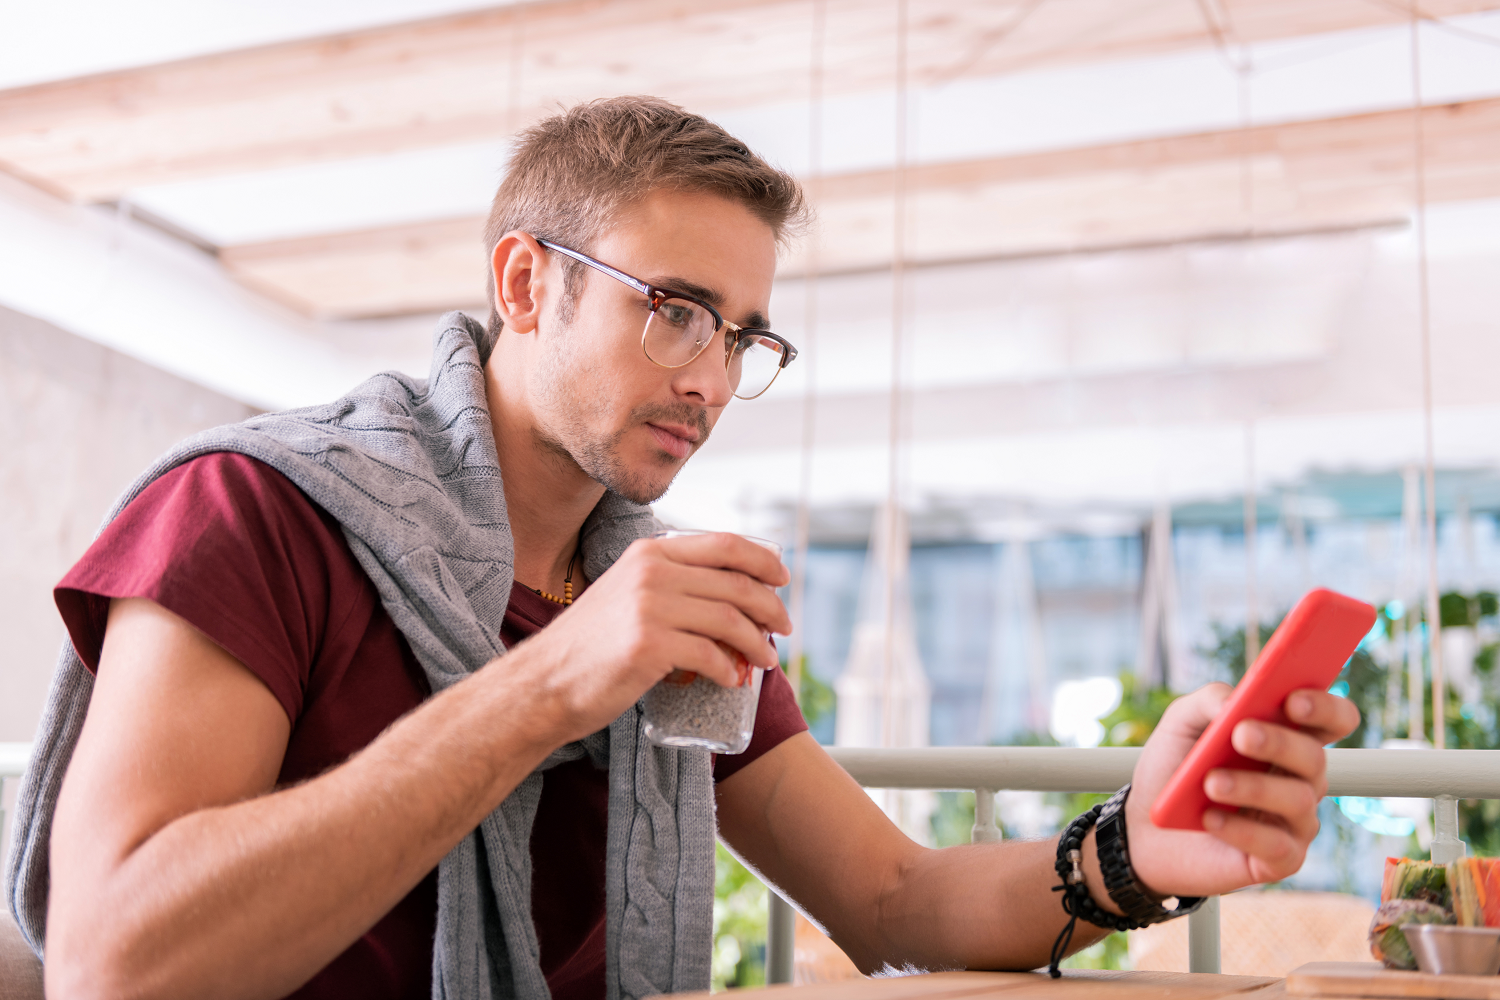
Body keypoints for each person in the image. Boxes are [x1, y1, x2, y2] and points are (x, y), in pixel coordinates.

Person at [7, 96, 1358, 1000]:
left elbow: (892, 897)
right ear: (527, 284)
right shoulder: (255, 514)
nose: (711, 377)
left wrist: (1133, 852)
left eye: (744, 335)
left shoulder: (663, 601)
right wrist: (548, 684)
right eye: (677, 311)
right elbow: (115, 958)